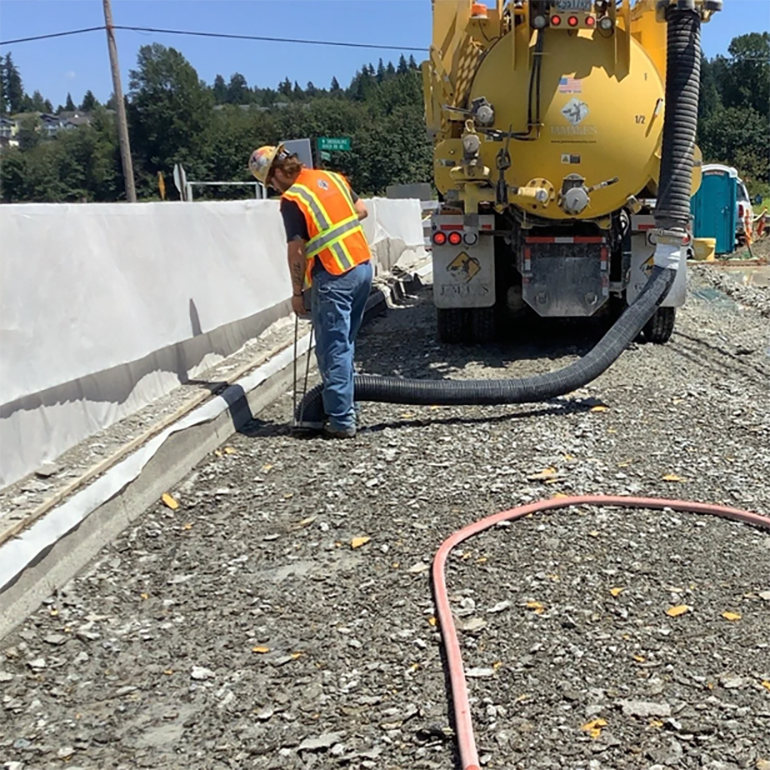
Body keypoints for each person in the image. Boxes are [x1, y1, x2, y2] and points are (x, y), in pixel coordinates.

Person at [249, 144, 373, 439]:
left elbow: (296, 249)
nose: (273, 188)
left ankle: (341, 420)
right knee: (345, 344)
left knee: (333, 349)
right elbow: (361, 210)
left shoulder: (293, 198)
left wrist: (296, 292)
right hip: (362, 266)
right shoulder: (331, 177)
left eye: (270, 183)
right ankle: (346, 405)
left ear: (278, 173)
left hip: (334, 273)